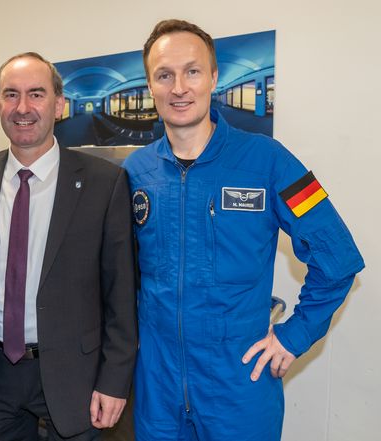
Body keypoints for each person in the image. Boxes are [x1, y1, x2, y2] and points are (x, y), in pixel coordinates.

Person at [122, 19, 365, 441]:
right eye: (164, 75)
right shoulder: (133, 172)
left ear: (213, 77)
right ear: (150, 86)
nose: (179, 87)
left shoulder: (271, 161)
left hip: (237, 389)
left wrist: (294, 335)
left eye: (192, 71)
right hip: (156, 389)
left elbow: (338, 258)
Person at [0, 52, 137, 441]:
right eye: (11, 95)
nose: (23, 108)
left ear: (58, 104)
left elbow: (121, 293)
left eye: (36, 94)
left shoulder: (105, 183)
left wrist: (115, 380)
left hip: (74, 375)